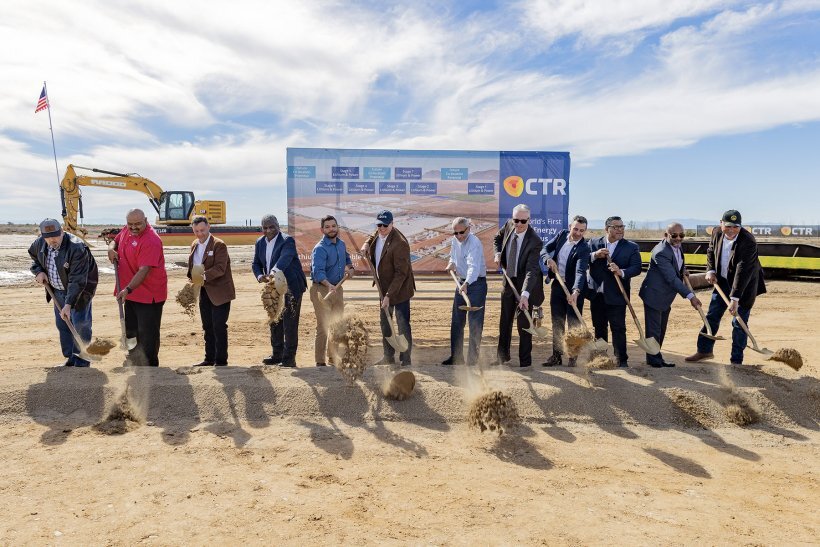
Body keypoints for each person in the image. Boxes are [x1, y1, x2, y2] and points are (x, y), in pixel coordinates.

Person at [686, 210, 766, 365]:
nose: (731, 230)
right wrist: (710, 270)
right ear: (720, 223)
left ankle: (736, 361)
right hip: (722, 282)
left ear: (740, 226)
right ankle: (704, 351)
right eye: (728, 226)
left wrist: (735, 298)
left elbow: (743, 271)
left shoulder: (748, 241)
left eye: (736, 227)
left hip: (744, 286)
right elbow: (711, 251)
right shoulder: (716, 232)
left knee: (738, 322)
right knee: (712, 316)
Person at [29, 218, 98, 367]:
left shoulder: (76, 247)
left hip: (80, 291)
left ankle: (82, 362)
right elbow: (34, 258)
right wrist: (38, 271)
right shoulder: (39, 244)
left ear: (61, 231)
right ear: (42, 236)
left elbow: (77, 280)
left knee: (80, 324)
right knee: (63, 324)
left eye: (55, 235)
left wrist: (68, 304)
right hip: (57, 290)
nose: (52, 240)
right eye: (48, 237)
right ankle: (70, 358)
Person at [108, 209, 168, 367]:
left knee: (147, 335)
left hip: (149, 295)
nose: (133, 227)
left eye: (137, 224)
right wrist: (111, 248)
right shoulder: (127, 229)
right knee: (131, 332)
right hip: (130, 293)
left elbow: (144, 270)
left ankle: (150, 367)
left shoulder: (151, 241)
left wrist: (127, 289)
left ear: (146, 220)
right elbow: (116, 239)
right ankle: (133, 360)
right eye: (130, 224)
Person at [639, 223, 702, 368]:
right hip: (654, 295)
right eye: (674, 235)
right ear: (666, 235)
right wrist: (691, 296)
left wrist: (682, 271)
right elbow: (671, 278)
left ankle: (656, 356)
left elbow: (676, 266)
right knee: (654, 329)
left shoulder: (677, 247)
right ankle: (654, 360)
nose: (678, 238)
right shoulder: (661, 252)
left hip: (666, 296)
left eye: (681, 235)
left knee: (661, 329)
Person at [360, 210, 415, 366]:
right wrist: (366, 243)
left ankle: (406, 359)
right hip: (383, 288)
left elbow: (401, 274)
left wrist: (389, 296)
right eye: (379, 225)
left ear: (392, 224)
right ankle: (388, 357)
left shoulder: (400, 244)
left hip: (400, 290)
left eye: (385, 225)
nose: (382, 228)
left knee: (403, 324)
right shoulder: (379, 232)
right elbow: (373, 234)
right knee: (385, 323)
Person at [493, 204, 545, 368]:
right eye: (516, 220)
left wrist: (524, 295)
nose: (519, 224)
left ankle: (525, 362)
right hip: (508, 280)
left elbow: (531, 270)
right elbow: (497, 238)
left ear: (529, 220)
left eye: (523, 221)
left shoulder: (535, 241)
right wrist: (498, 253)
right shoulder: (509, 225)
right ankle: (502, 357)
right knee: (505, 321)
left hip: (525, 284)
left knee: (524, 324)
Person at [586, 216, 642, 367]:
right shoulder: (593, 243)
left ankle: (621, 360)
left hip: (617, 294)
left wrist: (621, 272)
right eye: (616, 227)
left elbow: (637, 267)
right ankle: (601, 358)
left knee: (618, 328)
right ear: (607, 229)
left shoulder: (631, 247)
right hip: (596, 294)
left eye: (622, 227)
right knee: (599, 327)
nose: (620, 230)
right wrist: (594, 255)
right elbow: (582, 258)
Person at [252, 214, 306, 367]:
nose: (268, 230)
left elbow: (285, 258)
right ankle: (277, 354)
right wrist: (260, 275)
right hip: (273, 287)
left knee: (289, 322)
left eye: (272, 227)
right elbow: (255, 263)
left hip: (292, 286)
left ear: (278, 226)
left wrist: (273, 272)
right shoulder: (259, 242)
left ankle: (289, 359)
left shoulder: (287, 240)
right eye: (265, 228)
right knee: (274, 320)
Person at [540, 215, 591, 367]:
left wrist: (575, 291)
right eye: (576, 229)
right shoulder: (562, 235)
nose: (578, 233)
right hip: (558, 285)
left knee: (574, 323)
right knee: (557, 322)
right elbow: (545, 249)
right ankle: (556, 356)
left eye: (582, 230)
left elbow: (580, 271)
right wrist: (547, 259)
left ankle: (572, 357)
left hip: (574, 289)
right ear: (570, 227)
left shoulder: (584, 248)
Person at [187, 216, 236, 367]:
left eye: (202, 230)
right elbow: (193, 266)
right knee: (207, 326)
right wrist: (191, 280)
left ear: (209, 227)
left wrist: (202, 277)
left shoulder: (219, 245)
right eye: (196, 231)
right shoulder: (194, 244)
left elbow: (220, 268)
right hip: (204, 292)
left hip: (220, 292)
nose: (200, 234)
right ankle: (209, 358)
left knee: (219, 326)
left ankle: (221, 361)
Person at [310, 215, 354, 367]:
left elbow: (347, 259)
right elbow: (318, 272)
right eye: (327, 227)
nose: (331, 229)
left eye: (333, 226)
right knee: (323, 326)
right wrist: (329, 285)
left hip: (337, 289)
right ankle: (320, 361)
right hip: (322, 290)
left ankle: (332, 357)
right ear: (322, 230)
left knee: (336, 324)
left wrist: (350, 268)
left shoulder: (341, 244)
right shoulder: (320, 249)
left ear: (337, 227)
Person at [443, 217, 487, 366]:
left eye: (462, 232)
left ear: (468, 229)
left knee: (475, 323)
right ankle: (456, 357)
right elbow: (453, 256)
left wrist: (467, 283)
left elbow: (473, 267)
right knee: (457, 322)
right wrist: (451, 263)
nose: (459, 236)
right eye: (456, 233)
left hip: (476, 285)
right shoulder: (456, 240)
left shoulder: (474, 243)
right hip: (461, 283)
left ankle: (472, 361)